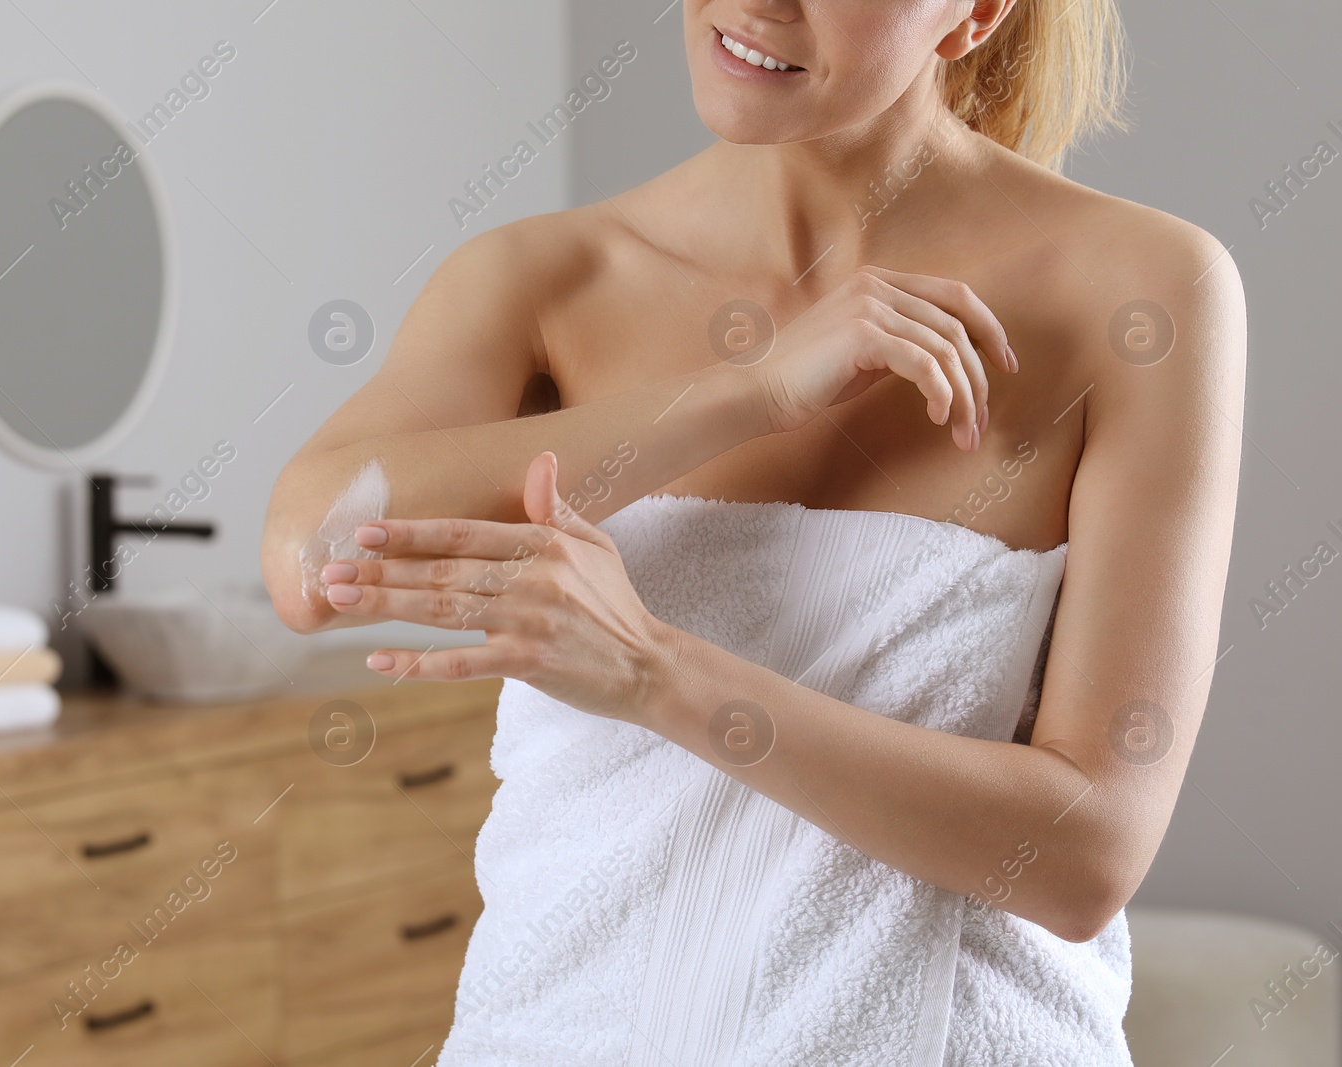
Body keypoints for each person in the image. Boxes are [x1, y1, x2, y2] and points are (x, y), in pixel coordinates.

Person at [262, 1, 1245, 1062]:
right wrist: (752, 389)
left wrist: (655, 673)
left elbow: (1082, 856)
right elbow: (315, 557)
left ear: (974, 15)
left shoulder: (1139, 292)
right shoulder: (545, 282)